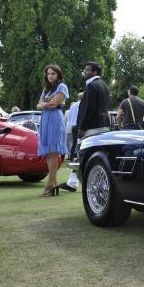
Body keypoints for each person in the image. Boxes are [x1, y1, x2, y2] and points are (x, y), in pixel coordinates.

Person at [36, 64, 69, 197]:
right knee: (49, 153)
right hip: (45, 118)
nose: (50, 76)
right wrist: (45, 104)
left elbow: (54, 104)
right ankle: (53, 183)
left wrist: (45, 104)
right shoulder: (46, 89)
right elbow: (39, 105)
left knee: (53, 152)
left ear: (58, 75)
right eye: (48, 74)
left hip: (55, 118)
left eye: (53, 74)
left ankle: (50, 184)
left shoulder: (62, 87)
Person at [77, 61, 110, 138]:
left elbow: (89, 108)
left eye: (87, 70)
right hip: (104, 125)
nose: (85, 72)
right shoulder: (104, 85)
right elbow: (108, 105)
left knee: (88, 149)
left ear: (95, 72)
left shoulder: (91, 85)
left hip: (92, 127)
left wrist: (82, 128)